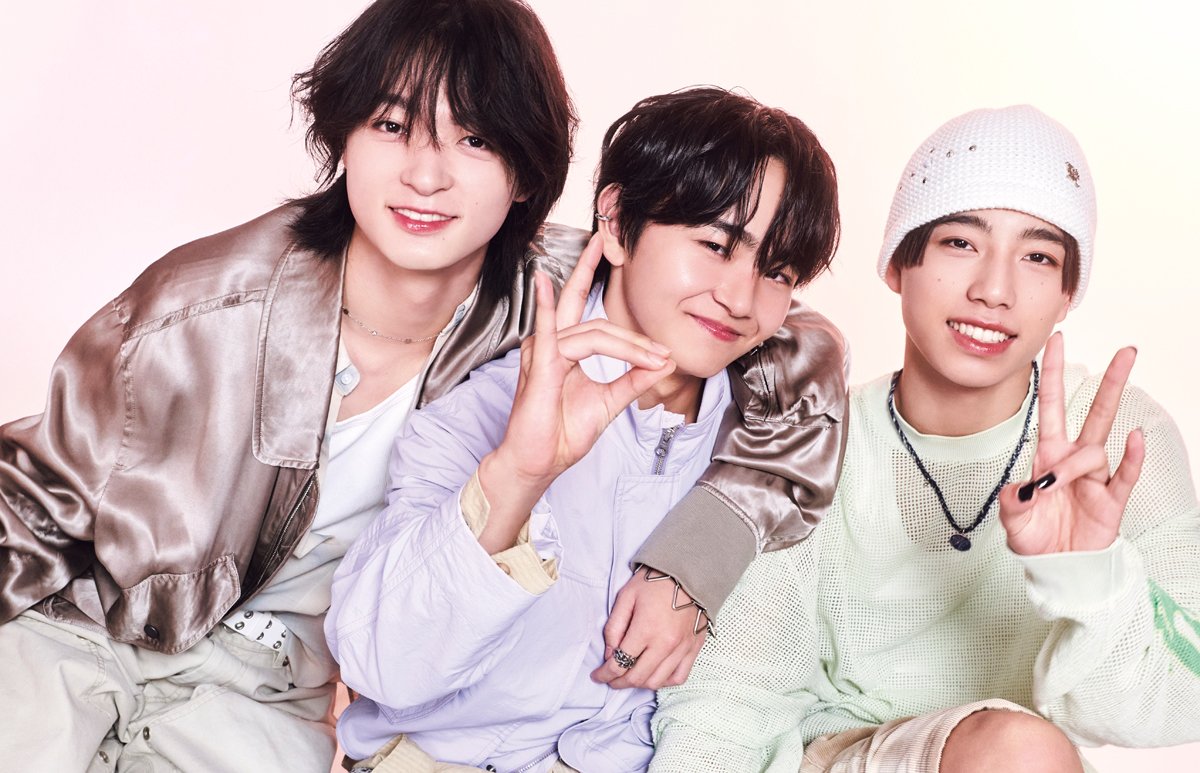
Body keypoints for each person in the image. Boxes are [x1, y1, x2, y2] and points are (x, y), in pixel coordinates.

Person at [0, 2, 848, 769]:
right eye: (392, 125)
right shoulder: (205, 309)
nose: (426, 175)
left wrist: (692, 561)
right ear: (343, 137)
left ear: (527, 170)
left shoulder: (557, 294)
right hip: (92, 625)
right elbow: (32, 493)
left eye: (474, 140)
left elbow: (793, 344)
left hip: (271, 685)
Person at [651, 105, 1200, 772]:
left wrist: (1089, 574)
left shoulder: (1110, 440)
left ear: (1065, 295)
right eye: (960, 243)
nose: (993, 290)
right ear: (897, 264)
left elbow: (1182, 697)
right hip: (833, 757)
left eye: (1037, 256)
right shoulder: (814, 435)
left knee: (1021, 753)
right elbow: (730, 694)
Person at [325, 86, 842, 773]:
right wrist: (518, 474)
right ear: (618, 222)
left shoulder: (769, 457)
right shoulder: (481, 406)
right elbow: (380, 664)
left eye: (776, 272)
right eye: (716, 245)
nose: (740, 299)